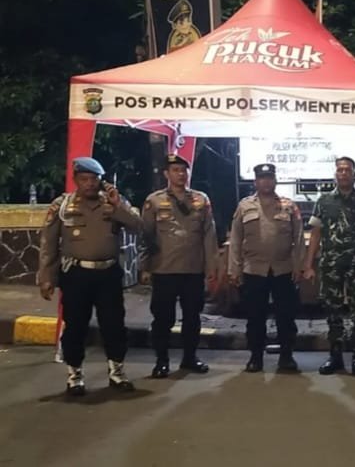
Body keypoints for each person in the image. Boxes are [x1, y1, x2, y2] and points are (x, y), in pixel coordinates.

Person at [38, 157, 142, 396]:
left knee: (114, 325)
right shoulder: (62, 205)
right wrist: (46, 277)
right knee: (75, 326)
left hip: (108, 274)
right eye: (84, 179)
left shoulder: (114, 202)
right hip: (76, 275)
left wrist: (118, 207)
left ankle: (117, 372)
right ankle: (75, 375)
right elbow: (49, 244)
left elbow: (139, 227)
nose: (90, 184)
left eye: (94, 179)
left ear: (101, 180)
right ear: (76, 180)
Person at [141, 154, 219, 378]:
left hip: (193, 269)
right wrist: (145, 267)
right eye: (175, 170)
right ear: (167, 174)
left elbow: (209, 235)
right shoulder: (154, 201)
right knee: (163, 319)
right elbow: (146, 235)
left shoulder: (200, 200)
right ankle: (162, 361)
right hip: (163, 269)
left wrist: (212, 266)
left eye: (184, 170)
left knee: (193, 318)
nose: (181, 174)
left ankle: (190, 358)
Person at [303, 157, 355, 376]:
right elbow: (316, 234)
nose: (344, 173)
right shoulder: (324, 201)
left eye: (348, 170)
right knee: (332, 312)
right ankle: (335, 357)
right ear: (335, 174)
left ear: (354, 174)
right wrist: (308, 264)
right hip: (331, 265)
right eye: (340, 170)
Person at [229, 163, 305, 372]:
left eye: (270, 177)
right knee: (255, 316)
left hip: (284, 269)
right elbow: (235, 240)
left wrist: (299, 266)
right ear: (255, 182)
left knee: (286, 316)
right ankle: (256, 357)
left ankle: (286, 356)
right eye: (262, 178)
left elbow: (298, 238)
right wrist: (234, 270)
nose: (266, 182)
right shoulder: (244, 206)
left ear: (275, 180)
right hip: (253, 270)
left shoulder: (288, 206)